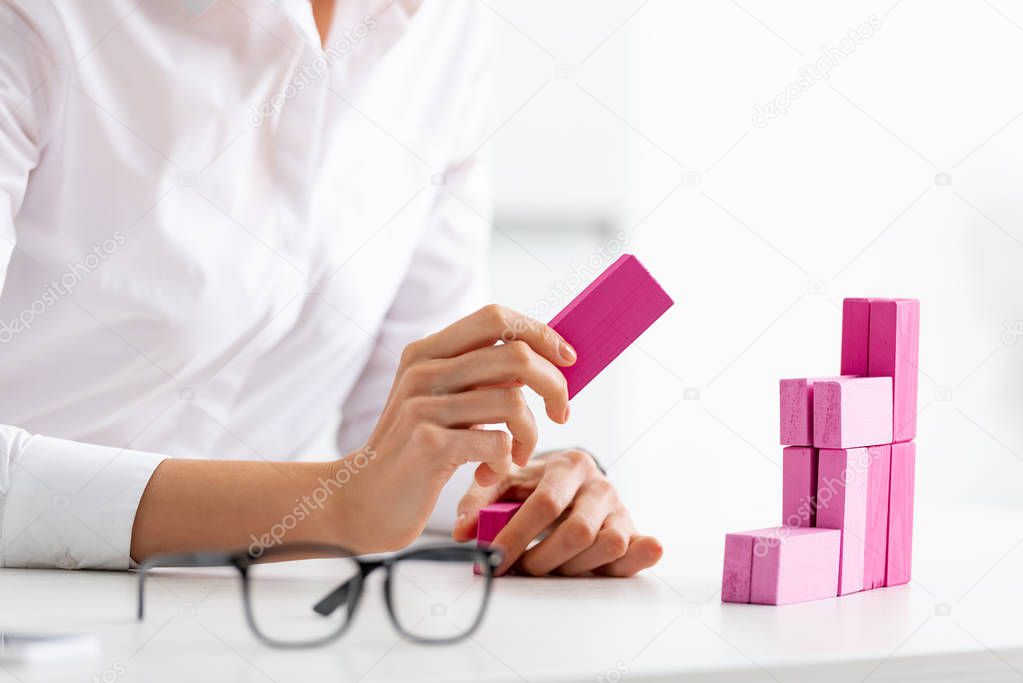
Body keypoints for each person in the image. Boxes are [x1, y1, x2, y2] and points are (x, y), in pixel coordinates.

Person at [0, 0, 662, 578]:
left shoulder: (443, 28)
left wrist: (509, 491)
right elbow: (363, 491)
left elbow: (399, 432)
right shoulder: (43, 19)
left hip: (237, 628)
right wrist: (334, 503)